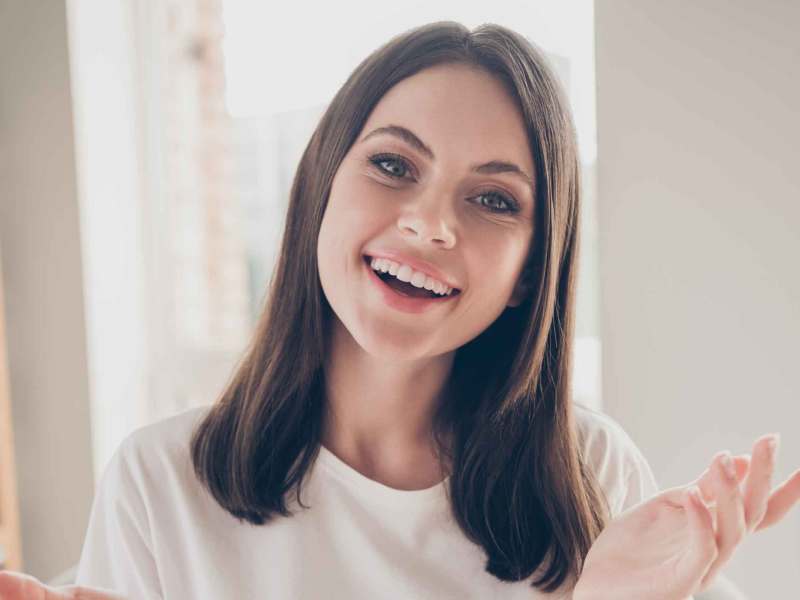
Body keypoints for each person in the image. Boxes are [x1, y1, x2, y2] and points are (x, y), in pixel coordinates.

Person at [2, 20, 797, 600]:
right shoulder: (161, 484)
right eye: (392, 164)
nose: (431, 224)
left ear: (530, 273)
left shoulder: (594, 476)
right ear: (319, 189)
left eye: (493, 199)